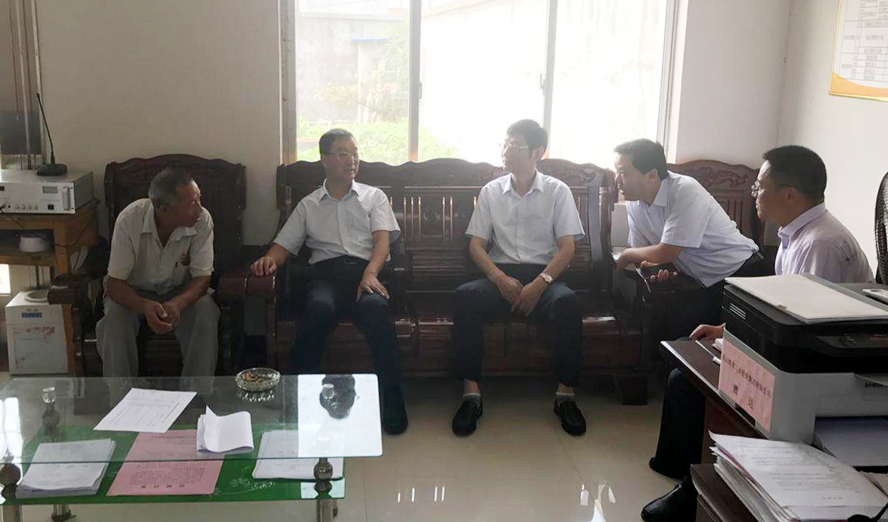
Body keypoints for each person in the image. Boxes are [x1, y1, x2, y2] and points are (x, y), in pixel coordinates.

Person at [642, 145, 874, 522]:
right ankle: (686, 473)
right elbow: (780, 311)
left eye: (760, 186)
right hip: (790, 356)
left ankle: (697, 485)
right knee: (686, 368)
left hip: (814, 377)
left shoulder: (821, 244)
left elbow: (809, 333)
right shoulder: (795, 236)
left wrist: (741, 353)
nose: (754, 193)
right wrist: (725, 331)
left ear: (789, 194)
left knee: (692, 384)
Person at [250, 128, 408, 435]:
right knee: (318, 309)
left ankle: (392, 401)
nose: (352, 160)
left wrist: (370, 274)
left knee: (376, 311)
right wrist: (269, 259)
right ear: (325, 160)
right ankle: (296, 403)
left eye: (355, 153)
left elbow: (382, 243)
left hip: (365, 274)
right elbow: (284, 246)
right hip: (325, 278)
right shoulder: (309, 204)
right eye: (343, 154)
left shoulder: (373, 197)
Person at [450, 119, 587, 437]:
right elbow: (476, 245)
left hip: (545, 278)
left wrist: (540, 284)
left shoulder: (557, 191)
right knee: (465, 296)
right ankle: (471, 394)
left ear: (538, 152)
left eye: (513, 145)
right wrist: (499, 279)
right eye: (504, 144)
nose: (505, 150)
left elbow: (567, 248)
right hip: (501, 277)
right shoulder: (491, 191)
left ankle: (566, 395)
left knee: (568, 303)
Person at [614, 139, 763, 340]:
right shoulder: (634, 202)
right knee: (669, 338)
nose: (617, 180)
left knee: (709, 345)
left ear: (652, 175)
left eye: (623, 173)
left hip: (741, 276)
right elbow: (645, 252)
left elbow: (666, 251)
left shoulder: (685, 190)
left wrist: (626, 255)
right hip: (699, 283)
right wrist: (654, 267)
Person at [98, 167, 219, 378]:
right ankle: (121, 395)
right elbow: (115, 284)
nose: (199, 209)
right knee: (114, 321)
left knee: (206, 311)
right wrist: (144, 305)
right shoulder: (129, 220)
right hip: (134, 292)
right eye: (191, 204)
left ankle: (197, 394)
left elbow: (202, 279)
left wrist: (177, 304)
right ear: (162, 207)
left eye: (199, 198)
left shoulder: (203, 221)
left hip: (181, 290)